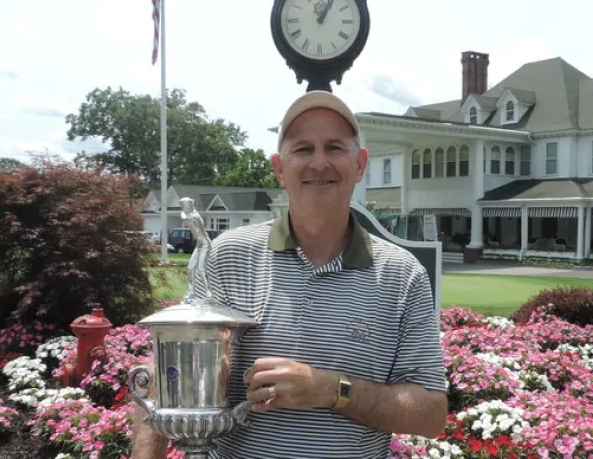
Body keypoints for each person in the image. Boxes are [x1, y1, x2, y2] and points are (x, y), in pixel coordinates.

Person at [131, 90, 448, 458]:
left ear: (360, 164)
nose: (319, 163)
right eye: (302, 149)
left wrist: (331, 390)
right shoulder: (225, 257)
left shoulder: (402, 275)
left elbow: (431, 414)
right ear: (279, 167)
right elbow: (166, 375)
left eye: (334, 147)